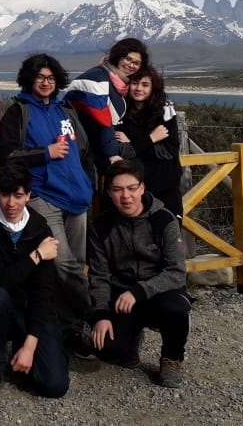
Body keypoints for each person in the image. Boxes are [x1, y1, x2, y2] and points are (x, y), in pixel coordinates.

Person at [0, 54, 95, 346]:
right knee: (62, 263)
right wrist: (45, 153)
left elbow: (85, 152)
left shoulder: (67, 111)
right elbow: (7, 156)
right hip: (43, 195)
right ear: (30, 79)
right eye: (40, 77)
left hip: (77, 197)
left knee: (76, 262)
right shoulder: (19, 111)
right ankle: (94, 314)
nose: (46, 82)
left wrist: (89, 183)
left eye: (51, 77)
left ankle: (70, 327)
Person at [0, 165, 69, 400]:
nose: (11, 203)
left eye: (18, 195)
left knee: (55, 386)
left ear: (29, 196)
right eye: (5, 195)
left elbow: (43, 292)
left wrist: (30, 346)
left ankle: (28, 350)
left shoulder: (40, 228)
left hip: (31, 309)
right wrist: (37, 256)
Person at [87, 160, 191, 388]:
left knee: (177, 308)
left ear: (142, 188)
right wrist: (101, 315)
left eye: (132, 188)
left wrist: (139, 291)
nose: (126, 196)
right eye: (118, 190)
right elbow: (99, 276)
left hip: (159, 292)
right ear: (109, 193)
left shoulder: (164, 219)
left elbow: (176, 271)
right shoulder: (101, 227)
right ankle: (131, 338)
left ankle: (172, 358)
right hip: (121, 295)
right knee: (104, 349)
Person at [62, 37, 149, 174]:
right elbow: (103, 119)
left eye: (137, 63)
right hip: (78, 146)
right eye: (127, 59)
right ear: (117, 56)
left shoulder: (120, 84)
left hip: (95, 144)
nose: (131, 65)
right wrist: (112, 154)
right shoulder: (97, 78)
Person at [115, 65, 184, 218]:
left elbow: (169, 151)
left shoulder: (164, 113)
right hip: (134, 190)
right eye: (135, 83)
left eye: (145, 85)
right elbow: (123, 152)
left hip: (167, 188)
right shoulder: (119, 114)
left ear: (153, 87)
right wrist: (151, 139)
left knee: (169, 234)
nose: (139, 88)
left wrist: (133, 144)